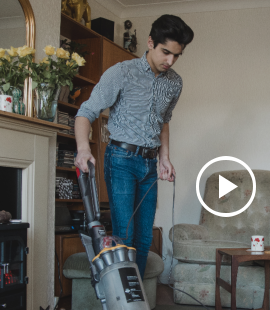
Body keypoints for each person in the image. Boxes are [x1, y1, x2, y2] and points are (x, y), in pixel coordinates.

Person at [74, 15, 194, 277]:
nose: (170, 61)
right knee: (124, 235)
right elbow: (86, 112)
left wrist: (165, 158)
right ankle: (122, 305)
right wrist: (83, 149)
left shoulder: (175, 83)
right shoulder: (121, 73)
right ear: (150, 42)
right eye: (165, 52)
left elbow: (164, 121)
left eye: (176, 55)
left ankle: (134, 298)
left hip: (150, 165)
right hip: (121, 160)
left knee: (143, 239)